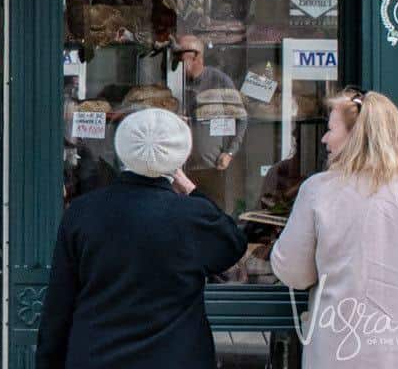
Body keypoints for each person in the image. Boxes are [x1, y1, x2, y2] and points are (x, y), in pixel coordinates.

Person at [36, 107, 247, 369]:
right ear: (178, 157)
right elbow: (232, 243)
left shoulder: (82, 212)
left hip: (97, 356)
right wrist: (189, 186)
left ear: (122, 150)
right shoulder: (192, 217)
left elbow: (58, 308)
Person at [271, 88, 398, 369]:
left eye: (331, 129)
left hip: (339, 353)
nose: (324, 138)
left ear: (355, 136)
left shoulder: (318, 191)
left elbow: (293, 272)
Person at [174, 34, 247, 206]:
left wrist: (230, 153)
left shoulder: (219, 80)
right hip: (178, 165)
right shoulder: (175, 80)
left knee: (211, 210)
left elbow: (241, 118)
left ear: (197, 56)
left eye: (180, 54)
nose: (175, 58)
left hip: (210, 167)